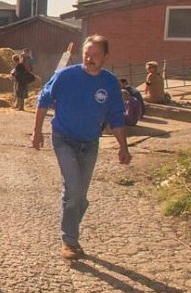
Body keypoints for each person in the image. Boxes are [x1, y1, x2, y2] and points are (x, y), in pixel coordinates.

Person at [31, 34, 131, 261]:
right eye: (86, 54)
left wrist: (123, 147)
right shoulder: (66, 76)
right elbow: (43, 99)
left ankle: (70, 228)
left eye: (95, 55)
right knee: (73, 189)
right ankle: (70, 241)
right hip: (63, 138)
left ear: (106, 56)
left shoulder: (109, 83)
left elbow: (116, 117)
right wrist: (37, 132)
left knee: (80, 196)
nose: (89, 58)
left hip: (90, 142)